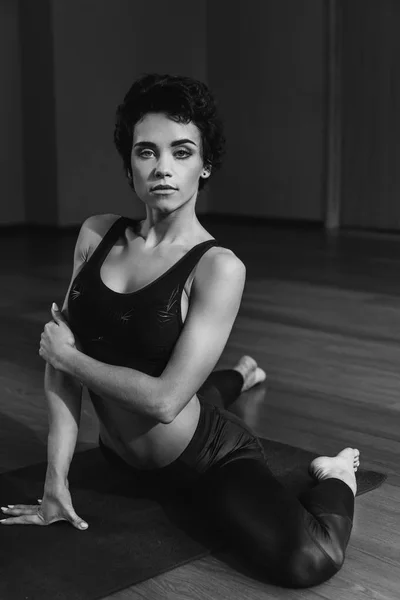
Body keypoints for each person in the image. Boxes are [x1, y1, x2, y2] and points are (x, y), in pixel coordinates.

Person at [0, 73, 360, 589]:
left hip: (205, 460)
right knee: (197, 392)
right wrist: (54, 483)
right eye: (146, 151)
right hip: (123, 461)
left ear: (204, 165)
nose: (162, 167)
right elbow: (63, 374)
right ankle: (241, 373)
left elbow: (165, 402)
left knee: (310, 560)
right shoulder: (96, 234)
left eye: (182, 151)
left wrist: (70, 357)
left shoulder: (218, 266)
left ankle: (338, 473)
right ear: (129, 163)